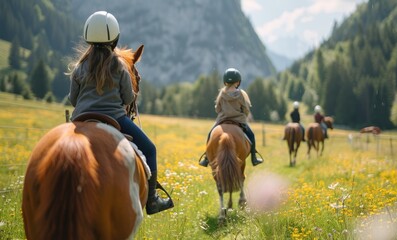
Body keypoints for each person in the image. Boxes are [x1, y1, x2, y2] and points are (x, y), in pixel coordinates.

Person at [68, 11, 173, 215]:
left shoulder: (80, 67)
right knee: (150, 150)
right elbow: (127, 99)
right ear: (114, 39)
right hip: (114, 118)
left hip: (80, 119)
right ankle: (152, 201)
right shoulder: (119, 66)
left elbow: (73, 100)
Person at [199, 68, 263, 167]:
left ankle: (206, 158)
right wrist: (243, 115)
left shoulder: (222, 93)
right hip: (239, 121)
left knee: (210, 135)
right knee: (251, 136)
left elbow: (217, 109)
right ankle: (254, 158)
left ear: (225, 81)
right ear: (238, 82)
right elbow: (246, 109)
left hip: (222, 120)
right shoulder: (241, 94)